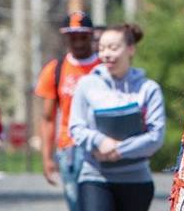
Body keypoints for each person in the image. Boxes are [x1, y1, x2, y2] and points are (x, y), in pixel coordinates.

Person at [69, 23, 165, 211]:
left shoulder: (148, 89)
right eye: (102, 48)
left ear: (130, 49)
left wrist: (118, 149)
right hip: (94, 177)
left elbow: (156, 136)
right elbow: (75, 127)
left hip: (137, 181)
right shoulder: (86, 84)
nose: (106, 54)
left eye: (113, 48)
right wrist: (100, 141)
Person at [34, 11, 100, 211]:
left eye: (83, 36)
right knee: (76, 205)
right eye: (72, 37)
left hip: (100, 148)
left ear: (91, 36)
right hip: (69, 149)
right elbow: (47, 118)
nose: (78, 42)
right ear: (65, 38)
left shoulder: (104, 68)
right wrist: (47, 157)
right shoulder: (55, 70)